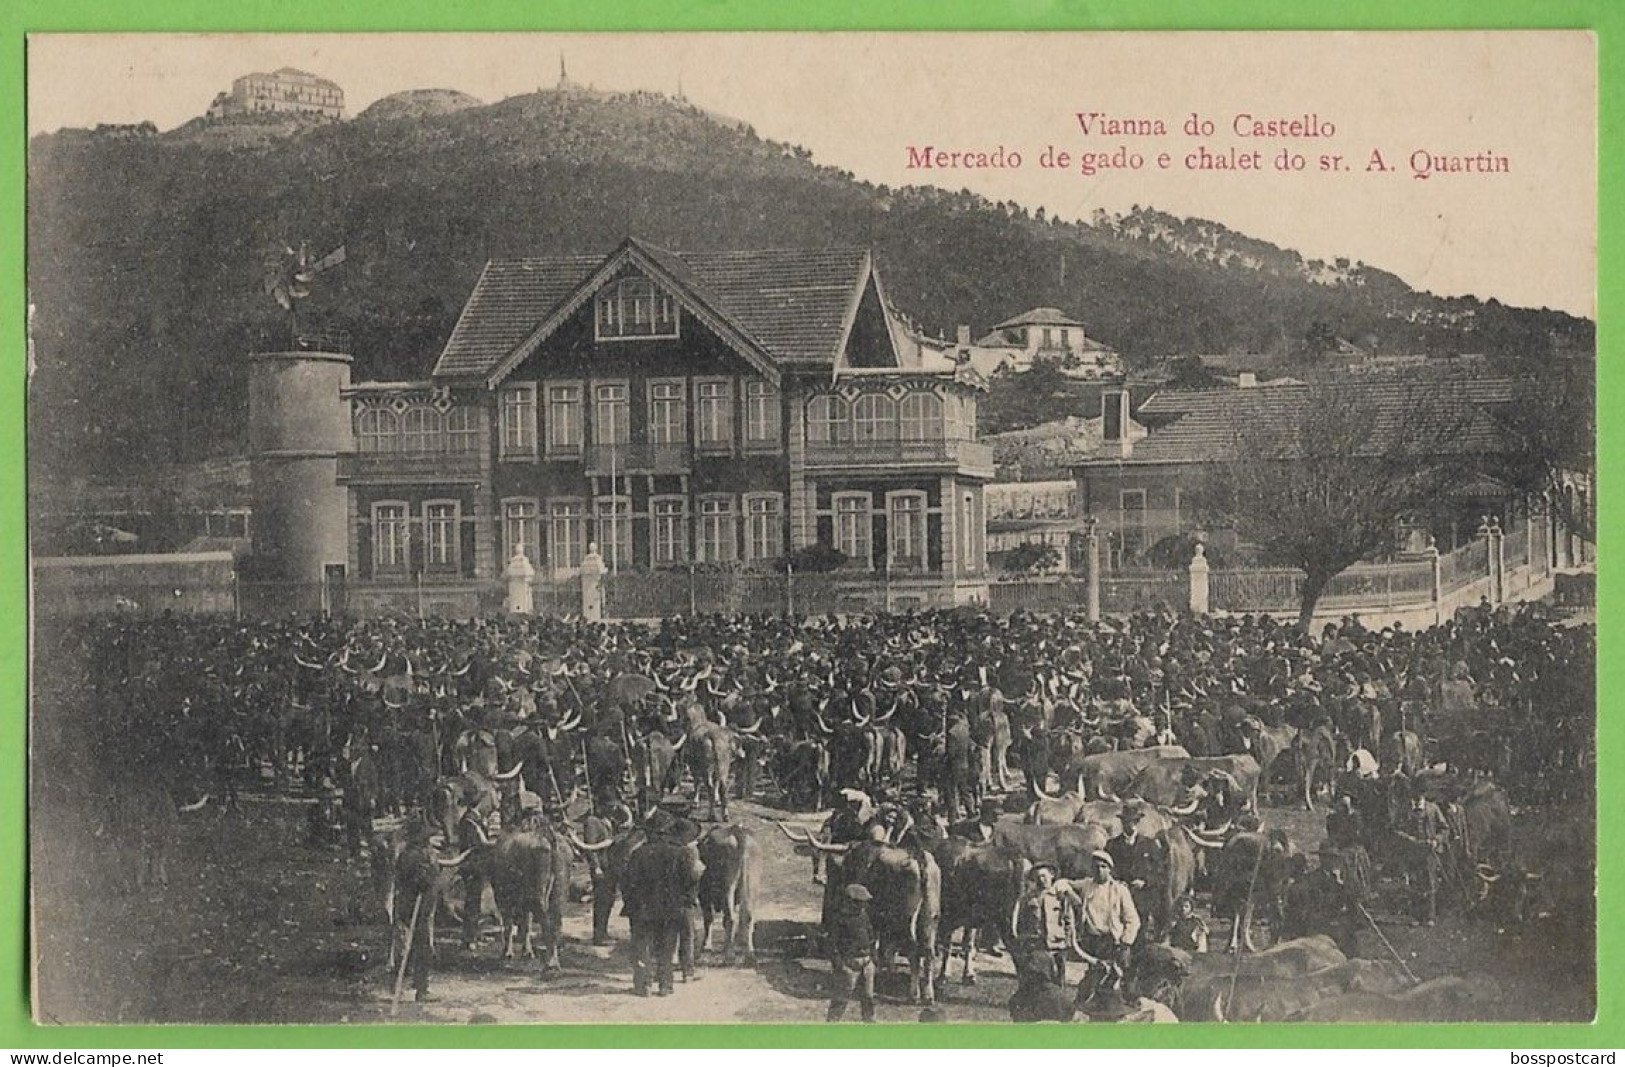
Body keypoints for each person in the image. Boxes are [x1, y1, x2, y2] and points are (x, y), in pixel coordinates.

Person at [1073, 850, 1140, 985]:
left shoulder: (1119, 890)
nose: (1099, 870)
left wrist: (1125, 943)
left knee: (1117, 977)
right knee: (1095, 975)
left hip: (1113, 941)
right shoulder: (1086, 885)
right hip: (1093, 940)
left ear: (1110, 869)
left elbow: (1133, 920)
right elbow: (1065, 883)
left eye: (1103, 867)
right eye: (1096, 866)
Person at [1010, 863, 1080, 986]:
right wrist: (1023, 938)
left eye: (1044, 876)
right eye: (1038, 877)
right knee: (1038, 978)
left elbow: (1069, 919)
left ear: (1052, 875)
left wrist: (1068, 940)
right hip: (1037, 944)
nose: (1041, 880)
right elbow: (1020, 920)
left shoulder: (1060, 896)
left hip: (1058, 944)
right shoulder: (1028, 898)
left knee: (1059, 979)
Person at [1107, 802, 1168, 941]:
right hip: (1119, 897)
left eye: (1134, 821)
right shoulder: (1112, 845)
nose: (1131, 824)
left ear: (1138, 822)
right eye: (1127, 821)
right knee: (1118, 932)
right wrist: (1117, 882)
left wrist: (1145, 882)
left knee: (1140, 932)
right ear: (1122, 822)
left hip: (1142, 898)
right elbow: (1108, 869)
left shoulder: (1149, 845)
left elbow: (1160, 872)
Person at [1393, 791, 1450, 926]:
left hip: (1430, 851)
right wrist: (1409, 839)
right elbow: (1396, 829)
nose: (1417, 800)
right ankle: (1417, 916)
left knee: (1430, 882)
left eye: (1420, 797)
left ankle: (1430, 916)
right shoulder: (1405, 809)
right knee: (1415, 882)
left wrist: (1437, 840)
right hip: (1413, 851)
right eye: (1415, 797)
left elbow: (1445, 828)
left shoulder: (1433, 808)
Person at [825, 882, 878, 1022]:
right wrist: (841, 966)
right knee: (841, 999)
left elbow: (871, 936)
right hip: (849, 965)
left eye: (863, 903)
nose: (862, 906)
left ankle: (870, 1025)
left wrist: (872, 959)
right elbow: (831, 944)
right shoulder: (839, 920)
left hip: (866, 963)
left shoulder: (864, 916)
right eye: (859, 903)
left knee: (868, 998)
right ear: (850, 902)